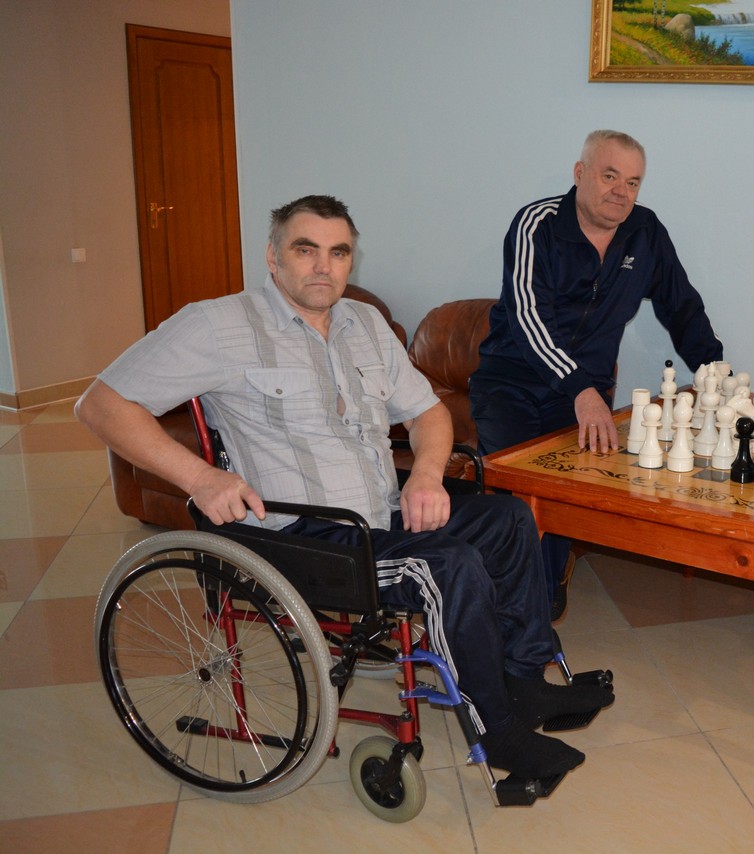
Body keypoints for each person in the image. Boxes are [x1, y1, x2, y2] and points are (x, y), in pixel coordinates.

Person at [76, 194, 613, 782]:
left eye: (338, 253)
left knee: (508, 520)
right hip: (301, 534)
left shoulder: (365, 324)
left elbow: (428, 413)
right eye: (305, 250)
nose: (323, 267)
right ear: (273, 256)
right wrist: (200, 478)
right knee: (447, 566)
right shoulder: (218, 325)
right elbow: (100, 404)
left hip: (379, 511)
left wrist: (426, 476)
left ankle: (525, 682)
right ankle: (498, 733)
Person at [471, 129, 725, 615]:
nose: (621, 192)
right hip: (513, 383)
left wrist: (716, 372)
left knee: (569, 495)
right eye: (610, 176)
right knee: (517, 496)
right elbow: (528, 317)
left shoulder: (646, 232)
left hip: (585, 390)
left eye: (632, 182)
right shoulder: (536, 224)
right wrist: (580, 389)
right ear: (580, 173)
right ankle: (512, 604)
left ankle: (540, 602)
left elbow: (682, 307)